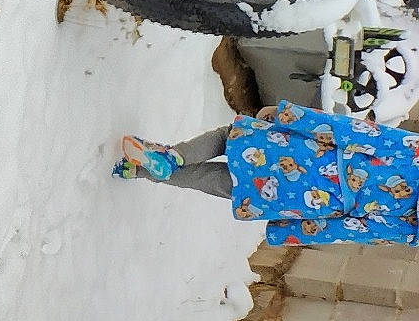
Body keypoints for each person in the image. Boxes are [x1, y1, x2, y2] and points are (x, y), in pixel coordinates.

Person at [117, 103, 419, 244]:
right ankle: (140, 171)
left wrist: (291, 116)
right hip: (312, 200)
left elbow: (361, 133)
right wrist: (289, 229)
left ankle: (171, 157)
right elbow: (356, 230)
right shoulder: (412, 228)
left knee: (228, 137)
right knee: (225, 184)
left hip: (310, 154)